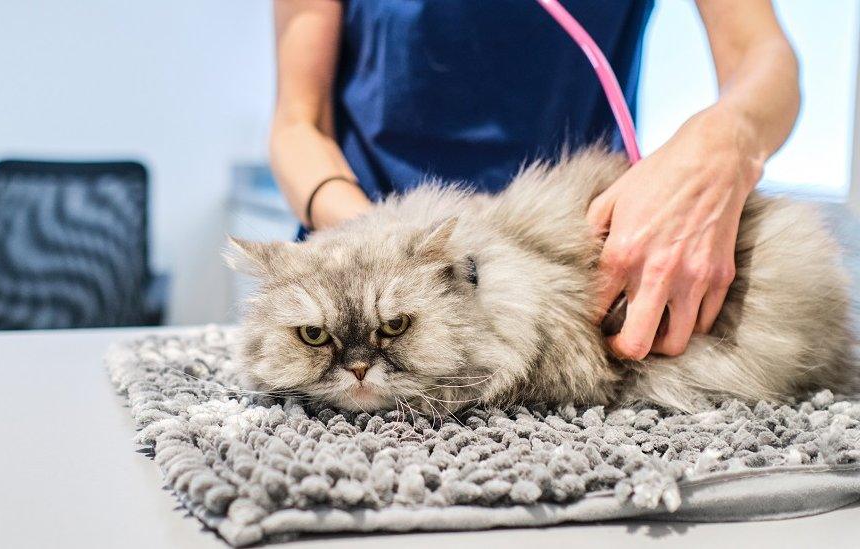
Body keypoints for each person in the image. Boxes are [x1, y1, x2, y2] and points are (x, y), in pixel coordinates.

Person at [269, 0, 800, 360]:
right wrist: (380, 248)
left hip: (579, 279)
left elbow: (763, 57)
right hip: (370, 260)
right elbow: (298, 124)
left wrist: (723, 142)